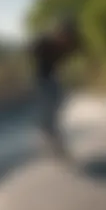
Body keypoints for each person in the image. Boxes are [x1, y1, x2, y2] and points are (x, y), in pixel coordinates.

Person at [30, 18, 81, 161]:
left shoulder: (65, 47)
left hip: (53, 79)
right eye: (63, 37)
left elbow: (69, 53)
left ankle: (46, 127)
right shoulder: (45, 43)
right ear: (58, 34)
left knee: (60, 99)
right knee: (50, 113)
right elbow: (33, 48)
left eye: (67, 39)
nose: (65, 41)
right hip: (42, 80)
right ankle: (49, 133)